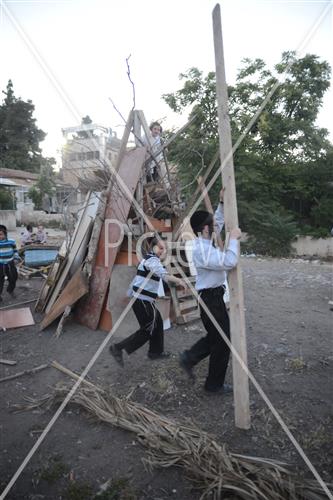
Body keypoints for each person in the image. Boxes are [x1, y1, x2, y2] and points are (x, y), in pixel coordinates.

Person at [179, 189, 242, 393]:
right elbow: (230, 261)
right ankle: (213, 384)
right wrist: (233, 239)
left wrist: (222, 203)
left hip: (211, 299)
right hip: (211, 301)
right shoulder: (202, 250)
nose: (217, 227)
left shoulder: (205, 241)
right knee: (223, 341)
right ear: (206, 229)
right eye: (213, 226)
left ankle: (189, 358)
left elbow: (218, 221)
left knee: (218, 337)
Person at [110, 235, 186, 366]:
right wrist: (179, 280)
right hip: (143, 301)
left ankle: (155, 352)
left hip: (143, 300)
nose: (163, 251)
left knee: (157, 324)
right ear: (153, 247)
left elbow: (137, 279)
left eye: (165, 249)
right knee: (147, 330)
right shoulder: (152, 261)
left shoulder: (148, 259)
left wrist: (129, 294)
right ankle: (117, 348)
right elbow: (163, 274)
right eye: (160, 248)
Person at [0, 225, 20, 302]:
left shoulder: (11, 241)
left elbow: (15, 251)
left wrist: (16, 258)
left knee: (14, 277)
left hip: (10, 263)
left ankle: (10, 290)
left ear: (5, 234)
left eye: (0, 234)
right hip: (0, 265)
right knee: (0, 280)